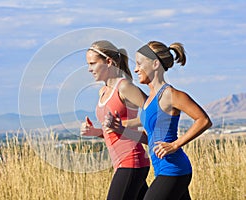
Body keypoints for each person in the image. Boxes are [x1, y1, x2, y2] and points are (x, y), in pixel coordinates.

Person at [104, 41, 212, 200]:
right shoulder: (148, 102)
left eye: (140, 64)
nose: (135, 69)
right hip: (162, 169)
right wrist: (122, 130)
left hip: (174, 170)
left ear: (155, 64)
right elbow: (151, 139)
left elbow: (203, 120)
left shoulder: (170, 94)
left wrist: (175, 144)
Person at [80, 40, 150, 200]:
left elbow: (154, 113)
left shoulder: (124, 87)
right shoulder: (103, 91)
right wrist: (95, 132)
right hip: (121, 163)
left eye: (92, 63)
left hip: (132, 160)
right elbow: (114, 132)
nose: (89, 69)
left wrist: (128, 126)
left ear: (109, 62)